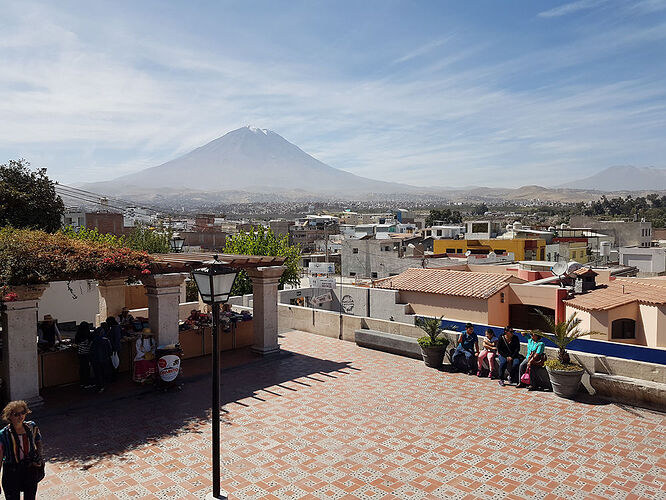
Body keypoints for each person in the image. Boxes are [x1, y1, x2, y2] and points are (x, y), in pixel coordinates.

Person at [0, 400, 43, 500]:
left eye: (23, 413)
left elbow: (38, 440)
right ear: (9, 416)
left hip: (29, 470)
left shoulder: (32, 426)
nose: (21, 416)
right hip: (12, 472)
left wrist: (39, 456)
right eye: (16, 414)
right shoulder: (3, 434)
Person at [90, 326, 113, 393]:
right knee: (104, 373)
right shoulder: (106, 340)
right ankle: (104, 385)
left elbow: (91, 351)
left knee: (98, 374)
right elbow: (110, 350)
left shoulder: (93, 341)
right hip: (105, 359)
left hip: (96, 360)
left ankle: (100, 386)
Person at [74, 322, 93, 389]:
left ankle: (82, 382)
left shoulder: (78, 334)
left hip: (80, 353)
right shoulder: (88, 335)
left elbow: (76, 343)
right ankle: (87, 383)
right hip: (86, 353)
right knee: (87, 368)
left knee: (82, 368)